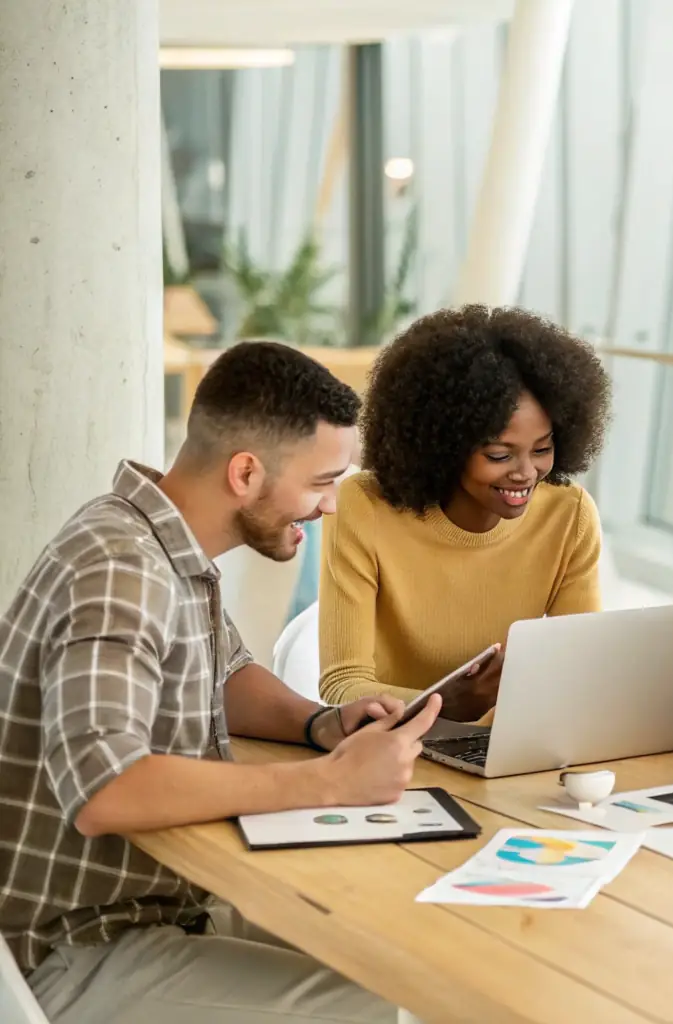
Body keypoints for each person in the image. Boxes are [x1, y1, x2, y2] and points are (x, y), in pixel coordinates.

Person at [0, 341, 441, 1023]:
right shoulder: (119, 569)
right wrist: (329, 783)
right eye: (322, 482)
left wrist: (319, 724)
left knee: (394, 954)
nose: (330, 506)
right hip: (69, 952)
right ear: (246, 472)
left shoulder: (161, 545)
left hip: (153, 910)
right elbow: (104, 787)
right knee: (397, 1010)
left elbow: (224, 673)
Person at [319, 305, 612, 722]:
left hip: (511, 740)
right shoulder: (365, 505)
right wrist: (446, 705)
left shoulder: (569, 516)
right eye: (499, 454)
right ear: (445, 444)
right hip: (396, 742)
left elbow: (578, 677)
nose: (526, 473)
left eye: (542, 449)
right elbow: (341, 684)